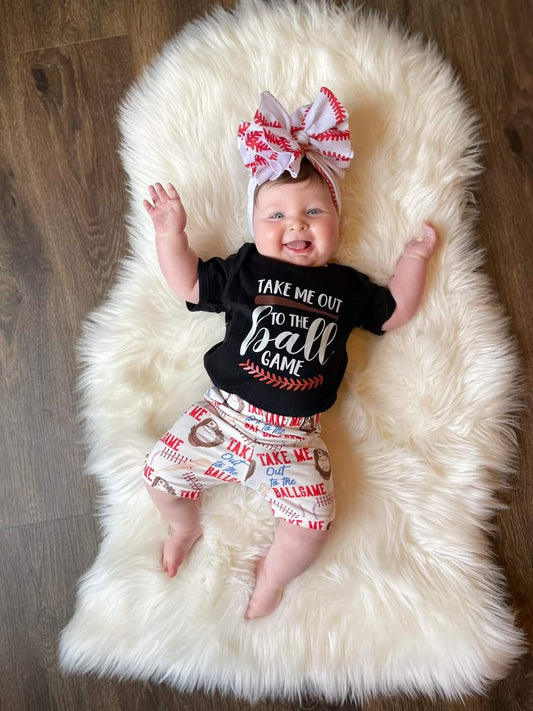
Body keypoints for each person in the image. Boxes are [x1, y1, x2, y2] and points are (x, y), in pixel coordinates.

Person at [142, 87, 438, 619]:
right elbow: (189, 284)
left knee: (312, 525)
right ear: (254, 225)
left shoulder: (346, 287)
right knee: (158, 474)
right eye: (276, 214)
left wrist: (412, 260)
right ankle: (184, 526)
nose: (296, 224)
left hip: (296, 441)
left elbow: (394, 311)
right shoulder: (245, 269)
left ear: (338, 222)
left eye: (314, 211)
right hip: (224, 418)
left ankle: (273, 578)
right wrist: (171, 235)